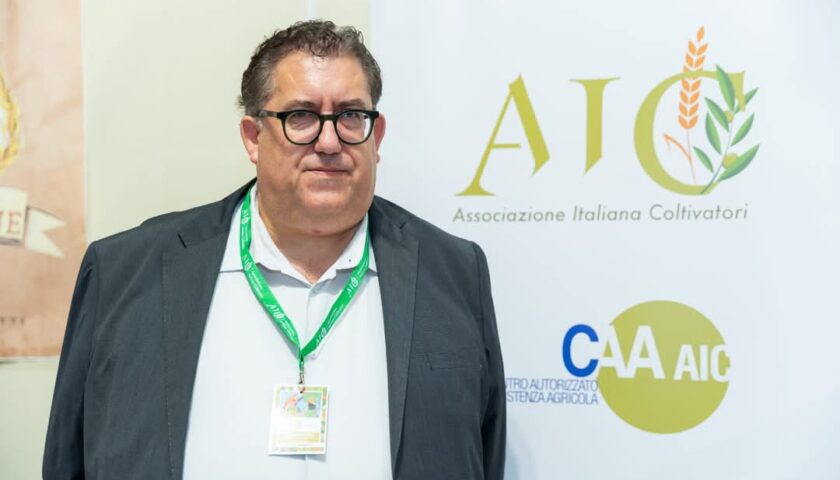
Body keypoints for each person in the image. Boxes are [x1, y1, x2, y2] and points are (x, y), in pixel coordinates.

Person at [43, 20, 505, 480]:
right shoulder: (126, 274)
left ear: (377, 136)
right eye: (301, 116)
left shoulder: (453, 272)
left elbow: (483, 453)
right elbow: (69, 461)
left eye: (350, 116)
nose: (330, 141)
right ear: (253, 136)